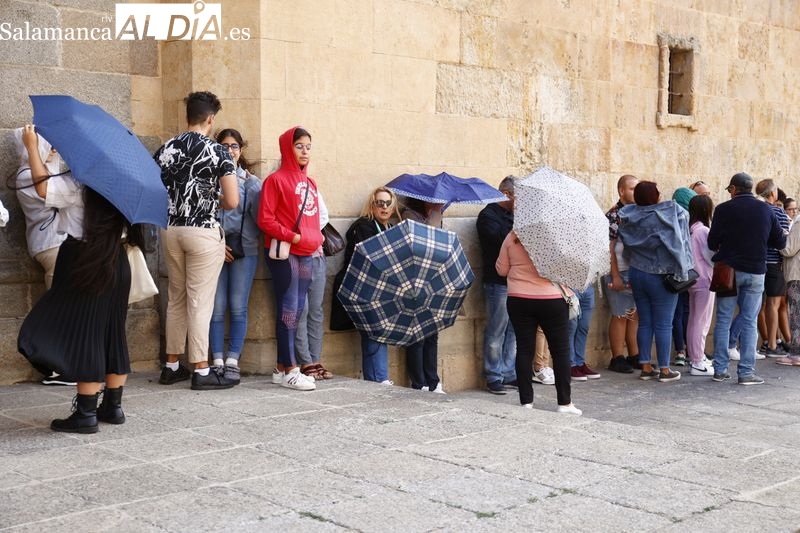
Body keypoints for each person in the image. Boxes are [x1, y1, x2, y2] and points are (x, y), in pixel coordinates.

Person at [17, 124, 142, 433]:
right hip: (117, 259)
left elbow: (42, 188)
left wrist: (32, 146)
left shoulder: (81, 182)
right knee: (112, 333)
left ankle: (86, 413)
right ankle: (112, 406)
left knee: (86, 332)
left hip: (85, 258)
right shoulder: (125, 181)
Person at [155, 91, 240, 391]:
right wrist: (208, 196)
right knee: (200, 302)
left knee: (176, 298)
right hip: (203, 231)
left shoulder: (165, 149)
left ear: (188, 115)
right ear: (210, 119)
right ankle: (201, 370)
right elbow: (231, 200)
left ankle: (171, 365)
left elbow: (156, 189)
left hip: (170, 229)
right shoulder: (219, 152)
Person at [258, 126, 323, 391]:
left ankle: (281, 367)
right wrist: (294, 237)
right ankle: (291, 370)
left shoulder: (311, 183)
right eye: (299, 146)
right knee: (289, 308)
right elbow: (265, 219)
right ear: (288, 147)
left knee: (297, 309)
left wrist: (313, 240)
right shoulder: (274, 181)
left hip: (307, 253)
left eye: (308, 146)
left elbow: (315, 220)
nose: (305, 151)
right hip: (285, 252)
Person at [708, 172, 786, 385]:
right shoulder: (767, 210)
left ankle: (721, 370)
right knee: (750, 320)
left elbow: (711, 242)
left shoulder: (723, 210)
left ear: (733, 189)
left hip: (728, 272)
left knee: (723, 320)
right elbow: (780, 241)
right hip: (755, 270)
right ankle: (746, 372)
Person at [12, 127, 73, 386]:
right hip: (52, 246)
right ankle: (60, 366)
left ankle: (64, 363)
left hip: (58, 244)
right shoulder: (27, 174)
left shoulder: (46, 170)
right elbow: (52, 195)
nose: (54, 149)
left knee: (65, 305)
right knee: (62, 308)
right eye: (47, 143)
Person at [495, 231, 581, 415]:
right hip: (550, 299)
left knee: (524, 349)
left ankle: (526, 402)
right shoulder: (557, 237)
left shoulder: (511, 236)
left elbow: (501, 269)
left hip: (518, 298)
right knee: (560, 351)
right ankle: (564, 403)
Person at [618, 181, 692, 383]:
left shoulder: (629, 215)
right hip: (661, 274)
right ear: (656, 196)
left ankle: (645, 366)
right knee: (664, 323)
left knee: (645, 322)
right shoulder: (668, 213)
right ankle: (665, 370)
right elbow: (681, 240)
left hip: (637, 272)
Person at [208, 128, 262, 386]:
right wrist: (219, 245)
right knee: (216, 308)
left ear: (241, 151)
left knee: (238, 306)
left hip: (245, 251)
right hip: (213, 250)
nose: (230, 150)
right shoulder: (208, 180)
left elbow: (259, 222)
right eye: (225, 145)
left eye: (235, 146)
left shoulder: (252, 183)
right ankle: (216, 360)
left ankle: (232, 361)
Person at [331, 187, 401, 384]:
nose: (384, 207)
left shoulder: (389, 228)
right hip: (363, 289)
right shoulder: (363, 226)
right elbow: (371, 258)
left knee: (377, 333)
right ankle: (380, 379)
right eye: (380, 203)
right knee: (375, 333)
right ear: (372, 205)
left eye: (388, 203)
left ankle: (376, 379)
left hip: (380, 290)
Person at [476, 176, 517, 394]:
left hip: (516, 281)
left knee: (513, 330)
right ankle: (493, 375)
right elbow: (499, 241)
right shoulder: (488, 215)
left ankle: (509, 372)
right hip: (497, 283)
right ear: (507, 194)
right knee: (496, 330)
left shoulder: (513, 216)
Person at [401, 197, 446, 393]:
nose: (439, 206)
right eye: (435, 202)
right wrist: (433, 219)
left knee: (431, 335)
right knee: (416, 336)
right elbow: (419, 243)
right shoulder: (409, 216)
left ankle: (433, 381)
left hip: (432, 281)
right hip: (414, 281)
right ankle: (419, 383)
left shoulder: (436, 216)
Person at [295, 191, 333, 381]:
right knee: (302, 309)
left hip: (316, 254)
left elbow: (324, 215)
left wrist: (308, 231)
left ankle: (316, 358)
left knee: (316, 310)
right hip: (295, 255)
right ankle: (305, 360)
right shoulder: (283, 184)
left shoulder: (311, 187)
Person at [604, 175, 639, 373]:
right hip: (618, 271)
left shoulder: (637, 213)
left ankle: (634, 354)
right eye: (632, 188)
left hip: (634, 272)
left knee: (634, 315)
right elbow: (609, 248)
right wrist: (615, 275)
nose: (635, 192)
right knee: (620, 315)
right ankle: (617, 357)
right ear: (621, 191)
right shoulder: (613, 216)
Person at [754, 179, 791, 358]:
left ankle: (765, 342)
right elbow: (783, 242)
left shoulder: (755, 210)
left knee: (757, 305)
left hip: (756, 261)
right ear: (772, 194)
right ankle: (772, 345)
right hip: (774, 262)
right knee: (773, 304)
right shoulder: (779, 213)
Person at [686, 195, 715, 376]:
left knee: (694, 320)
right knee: (701, 322)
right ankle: (697, 360)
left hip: (693, 280)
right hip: (705, 279)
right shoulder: (703, 231)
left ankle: (696, 356)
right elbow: (710, 256)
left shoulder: (690, 229)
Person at [669, 187, 697, 366]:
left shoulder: (670, 218)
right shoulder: (685, 220)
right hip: (683, 273)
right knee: (682, 312)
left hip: (678, 272)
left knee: (680, 312)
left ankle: (682, 350)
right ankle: (684, 350)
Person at [779, 205, 800, 366]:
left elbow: (789, 249)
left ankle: (796, 354)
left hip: (797, 275)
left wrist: (781, 238)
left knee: (796, 315)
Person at [567, 285, 600, 381]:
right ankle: (571, 365)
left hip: (588, 286)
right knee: (571, 328)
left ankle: (580, 363)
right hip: (570, 286)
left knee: (584, 327)